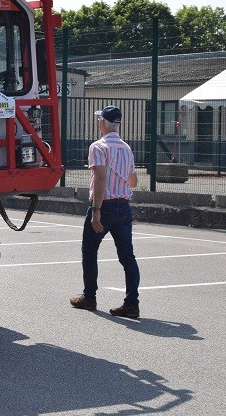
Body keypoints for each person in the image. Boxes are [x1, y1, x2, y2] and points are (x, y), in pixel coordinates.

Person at [70, 105, 141, 318]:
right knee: (127, 256)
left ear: (102, 123)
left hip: (105, 205)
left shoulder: (98, 147)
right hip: (124, 206)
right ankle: (131, 303)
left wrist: (96, 211)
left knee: (90, 251)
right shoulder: (126, 148)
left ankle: (89, 297)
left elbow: (100, 179)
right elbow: (134, 181)